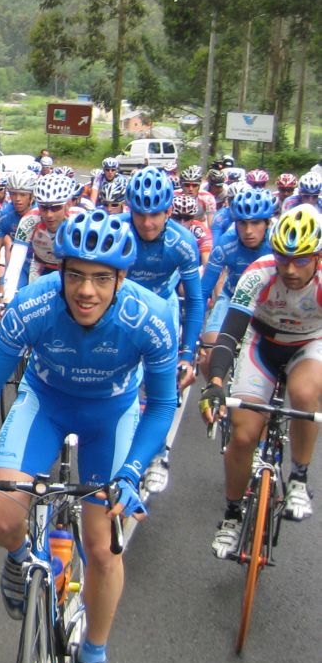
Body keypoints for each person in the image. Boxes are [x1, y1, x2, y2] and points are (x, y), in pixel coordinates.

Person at [0, 210, 178, 663]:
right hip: (45, 404)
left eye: (101, 278)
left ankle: (93, 655)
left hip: (111, 417)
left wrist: (132, 472)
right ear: (61, 271)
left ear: (122, 278)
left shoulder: (151, 317)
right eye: (75, 275)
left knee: (102, 548)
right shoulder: (33, 304)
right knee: (0, 515)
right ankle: (19, 557)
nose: (86, 291)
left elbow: (161, 405)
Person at [203, 205, 322, 555]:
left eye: (301, 260)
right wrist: (215, 382)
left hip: (308, 344)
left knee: (305, 394)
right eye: (283, 258)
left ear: (317, 257)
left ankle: (299, 477)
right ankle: (232, 515)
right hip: (261, 345)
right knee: (243, 436)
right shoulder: (259, 272)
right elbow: (230, 334)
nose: (290, 269)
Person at [121, 167, 203, 494]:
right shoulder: (118, 232)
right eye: (140, 213)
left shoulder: (182, 242)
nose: (147, 223)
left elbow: (195, 300)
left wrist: (188, 354)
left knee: (162, 387)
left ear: (169, 211)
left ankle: (158, 454)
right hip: (123, 305)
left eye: (155, 214)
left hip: (162, 308)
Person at [196, 188, 275, 379]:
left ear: (267, 223)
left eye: (255, 222)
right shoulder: (225, 244)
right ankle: (213, 393)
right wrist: (196, 332)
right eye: (242, 223)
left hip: (268, 304)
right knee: (209, 355)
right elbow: (203, 291)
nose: (248, 231)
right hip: (232, 297)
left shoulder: (276, 244)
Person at [0, 170, 36, 293]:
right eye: (13, 194)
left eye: (23, 194)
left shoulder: (41, 213)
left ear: (32, 195)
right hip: (19, 265)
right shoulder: (4, 215)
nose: (17, 199)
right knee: (4, 296)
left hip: (40, 264)